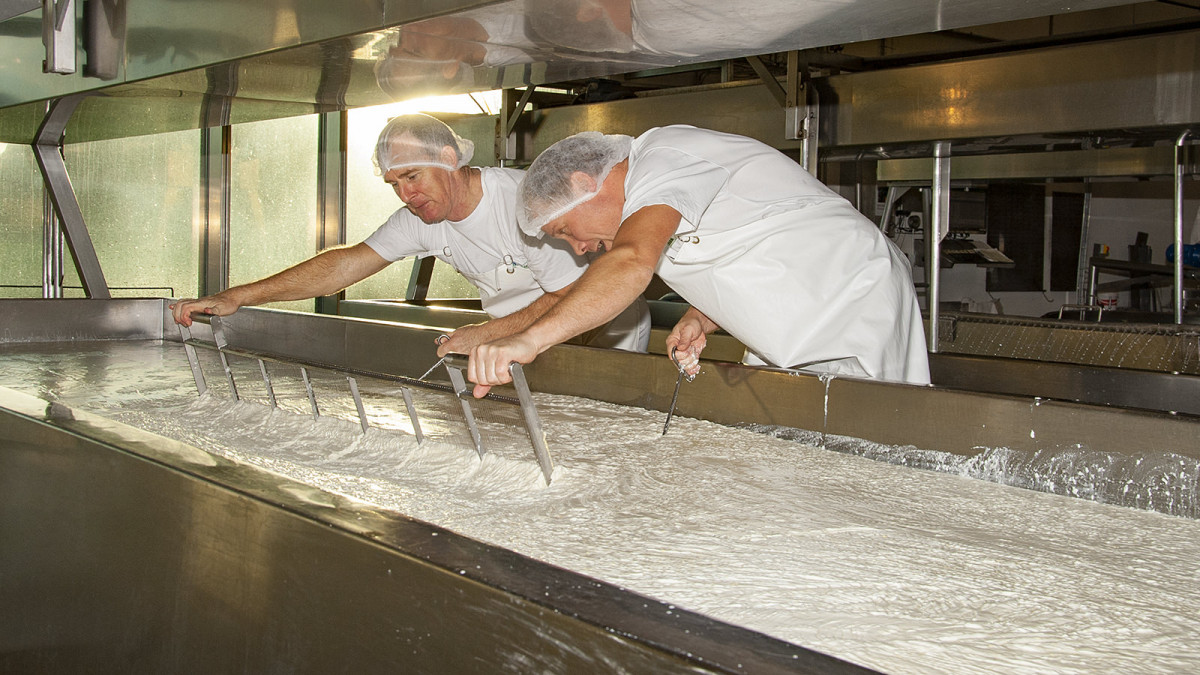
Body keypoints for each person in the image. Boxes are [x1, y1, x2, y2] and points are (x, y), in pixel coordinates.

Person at [465, 125, 930, 396]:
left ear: (585, 184)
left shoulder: (663, 160)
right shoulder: (644, 201)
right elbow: (742, 235)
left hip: (850, 298)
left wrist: (529, 340)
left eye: (566, 230)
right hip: (787, 324)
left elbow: (631, 261)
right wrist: (703, 314)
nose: (578, 247)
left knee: (876, 445)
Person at [170, 114, 650, 357]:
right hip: (517, 340)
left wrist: (484, 335)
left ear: (449, 158)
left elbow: (570, 295)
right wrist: (238, 296)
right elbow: (345, 264)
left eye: (413, 176)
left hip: (601, 336)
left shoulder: (522, 204)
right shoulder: (422, 219)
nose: (406, 194)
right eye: (395, 184)